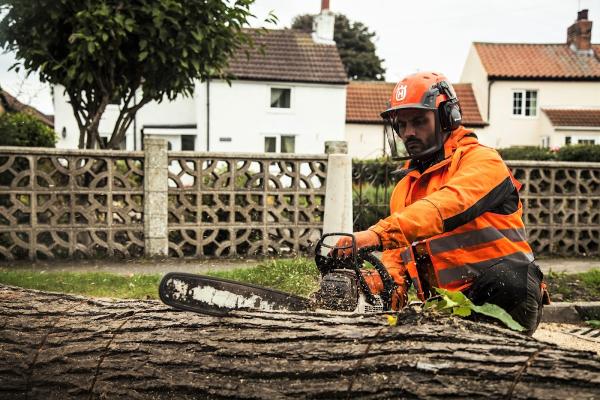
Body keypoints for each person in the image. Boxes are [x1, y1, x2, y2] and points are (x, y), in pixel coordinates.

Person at [337, 71, 549, 335]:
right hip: (446, 308)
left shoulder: (483, 161)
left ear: (448, 117)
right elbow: (397, 264)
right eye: (402, 125)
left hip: (504, 294)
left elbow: (445, 206)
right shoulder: (404, 189)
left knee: (509, 279)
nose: (409, 133)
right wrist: (374, 284)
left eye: (418, 121)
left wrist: (374, 235)